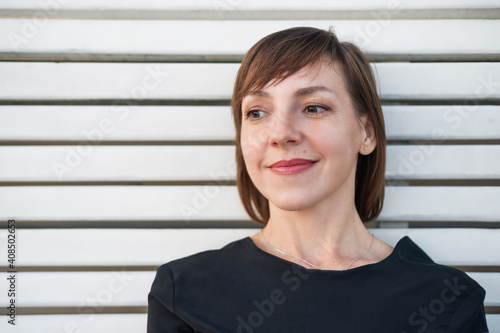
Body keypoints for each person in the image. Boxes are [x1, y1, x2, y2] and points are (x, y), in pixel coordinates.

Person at [147, 27, 489, 332]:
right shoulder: (184, 292)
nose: (280, 134)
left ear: (366, 133)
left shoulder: (448, 301)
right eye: (256, 112)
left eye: (314, 107)